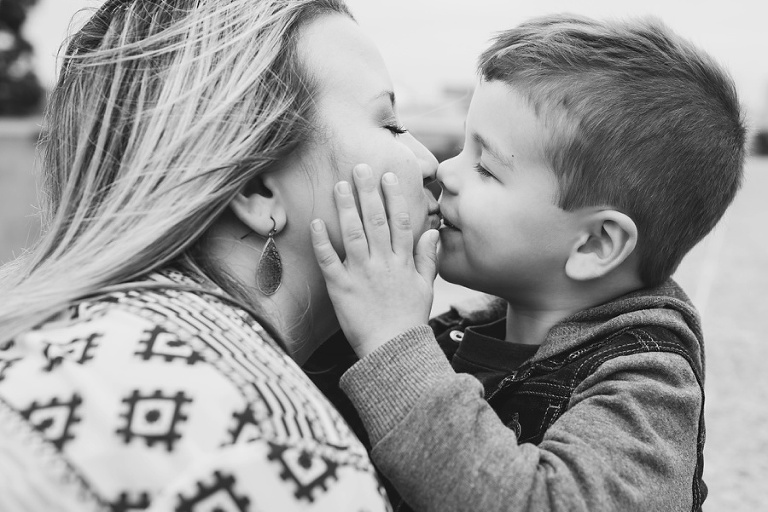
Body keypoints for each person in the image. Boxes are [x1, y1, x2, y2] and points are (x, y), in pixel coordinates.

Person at [0, 0, 440, 510]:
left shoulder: (51, 336)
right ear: (258, 189)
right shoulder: (272, 447)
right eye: (390, 125)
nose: (429, 163)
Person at [308, 14, 746, 512]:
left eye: (487, 168)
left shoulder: (648, 389)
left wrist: (390, 343)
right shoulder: (458, 338)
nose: (444, 173)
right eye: (460, 146)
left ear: (595, 245)